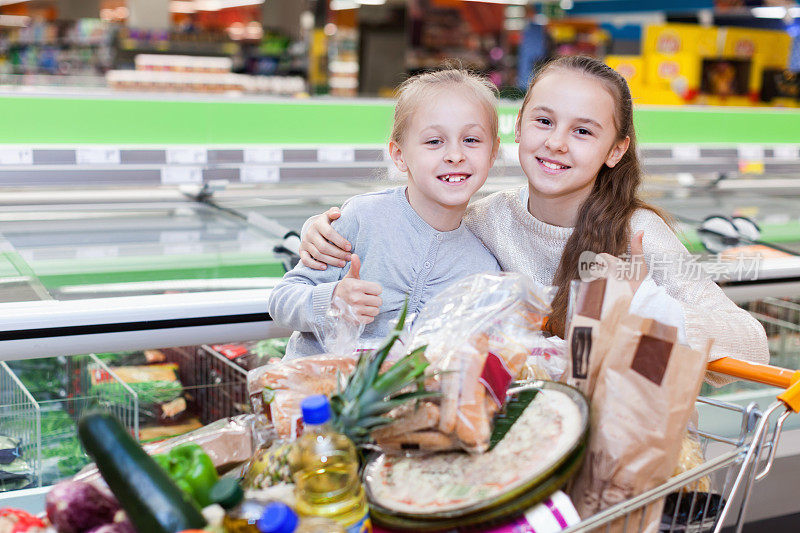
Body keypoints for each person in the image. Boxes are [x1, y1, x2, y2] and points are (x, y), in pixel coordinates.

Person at [298, 56, 769, 384]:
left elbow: (752, 344)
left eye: (583, 131)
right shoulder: (485, 219)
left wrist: (648, 312)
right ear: (518, 125)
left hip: (620, 447)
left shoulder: (639, 236)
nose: (558, 142)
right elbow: (413, 216)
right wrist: (321, 228)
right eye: (544, 122)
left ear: (616, 149)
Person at [269, 68, 501, 357]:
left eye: (472, 140)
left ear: (493, 153)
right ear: (399, 156)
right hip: (316, 394)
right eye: (434, 141)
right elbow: (281, 302)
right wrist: (332, 300)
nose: (455, 155)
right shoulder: (362, 218)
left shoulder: (483, 266)